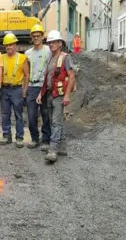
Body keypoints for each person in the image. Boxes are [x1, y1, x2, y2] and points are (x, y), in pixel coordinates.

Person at [36, 30, 76, 163]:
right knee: (54, 122)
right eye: (50, 42)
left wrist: (67, 96)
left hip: (59, 96)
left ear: (60, 43)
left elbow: (71, 77)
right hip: (50, 94)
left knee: (56, 121)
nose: (51, 44)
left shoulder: (65, 57)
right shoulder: (50, 59)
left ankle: (53, 150)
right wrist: (41, 94)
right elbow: (47, 78)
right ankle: (62, 146)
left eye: (54, 42)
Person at [24, 24, 52, 151]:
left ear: (42, 36)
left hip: (45, 86)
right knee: (31, 115)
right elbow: (26, 72)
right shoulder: (28, 53)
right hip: (32, 87)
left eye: (38, 36)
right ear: (31, 38)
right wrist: (25, 89)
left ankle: (46, 139)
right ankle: (35, 138)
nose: (36, 38)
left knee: (45, 113)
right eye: (34, 36)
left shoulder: (48, 51)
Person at [0, 33, 29, 148]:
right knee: (5, 114)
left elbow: (27, 75)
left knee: (18, 114)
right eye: (7, 45)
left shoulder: (22, 58)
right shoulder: (2, 57)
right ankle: (7, 135)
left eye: (11, 44)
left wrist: (24, 90)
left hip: (16, 89)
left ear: (15, 45)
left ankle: (19, 137)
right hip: (4, 88)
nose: (9, 47)